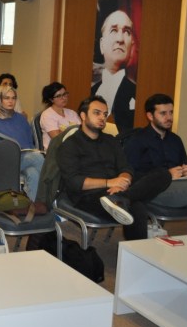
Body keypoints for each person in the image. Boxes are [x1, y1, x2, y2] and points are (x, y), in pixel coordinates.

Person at [57, 96, 171, 240]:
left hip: (117, 190)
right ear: (83, 116)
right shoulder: (70, 145)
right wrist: (109, 183)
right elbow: (74, 182)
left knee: (163, 174)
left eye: (105, 114)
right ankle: (122, 201)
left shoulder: (111, 140)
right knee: (137, 208)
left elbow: (126, 167)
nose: (102, 118)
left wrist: (123, 180)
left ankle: (121, 198)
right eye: (97, 113)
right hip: (88, 196)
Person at [124, 93, 187, 233]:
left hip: (180, 189)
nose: (169, 117)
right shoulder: (136, 141)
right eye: (163, 113)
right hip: (155, 191)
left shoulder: (176, 140)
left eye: (171, 112)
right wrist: (167, 174)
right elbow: (130, 176)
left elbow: (183, 166)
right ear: (150, 116)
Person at [0, 86, 43, 201]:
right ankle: (50, 195)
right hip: (3, 161)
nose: (11, 101)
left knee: (34, 173)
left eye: (13, 98)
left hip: (24, 158)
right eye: (7, 98)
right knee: (38, 158)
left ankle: (32, 206)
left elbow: (30, 143)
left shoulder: (21, 119)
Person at [91, 10, 137, 133]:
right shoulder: (92, 91)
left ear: (132, 48)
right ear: (102, 45)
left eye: (127, 32)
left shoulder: (135, 93)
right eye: (114, 30)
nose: (120, 39)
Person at [40, 82, 80, 150]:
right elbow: (58, 139)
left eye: (64, 94)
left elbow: (82, 132)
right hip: (56, 151)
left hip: (74, 149)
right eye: (59, 96)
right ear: (51, 99)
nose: (64, 98)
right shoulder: (47, 115)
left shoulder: (72, 113)